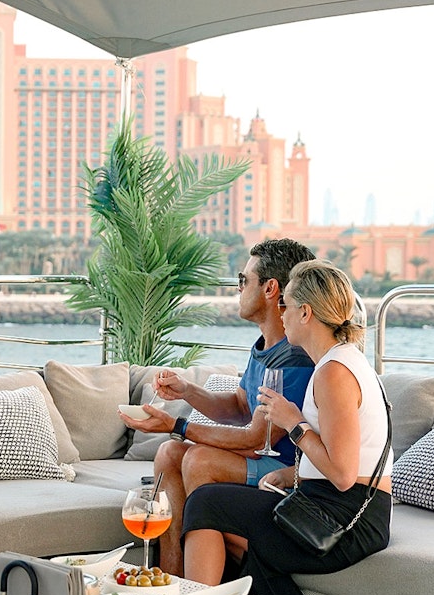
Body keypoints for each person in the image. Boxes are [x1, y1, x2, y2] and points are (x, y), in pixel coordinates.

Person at [182, 259, 392, 595]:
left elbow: (342, 475)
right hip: (326, 500)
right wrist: (293, 474)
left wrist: (293, 423)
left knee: (207, 503)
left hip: (346, 517)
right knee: (254, 550)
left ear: (306, 313)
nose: (281, 315)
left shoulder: (335, 374)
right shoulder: (339, 361)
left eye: (287, 306)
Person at [119, 238, 316, 575]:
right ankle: (170, 574)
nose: (237, 288)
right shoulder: (266, 345)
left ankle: (220, 566)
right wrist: (187, 390)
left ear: (270, 289)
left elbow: (256, 438)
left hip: (282, 472)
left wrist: (177, 425)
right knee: (169, 453)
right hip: (256, 461)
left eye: (243, 280)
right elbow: (239, 405)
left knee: (198, 458)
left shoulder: (294, 356)